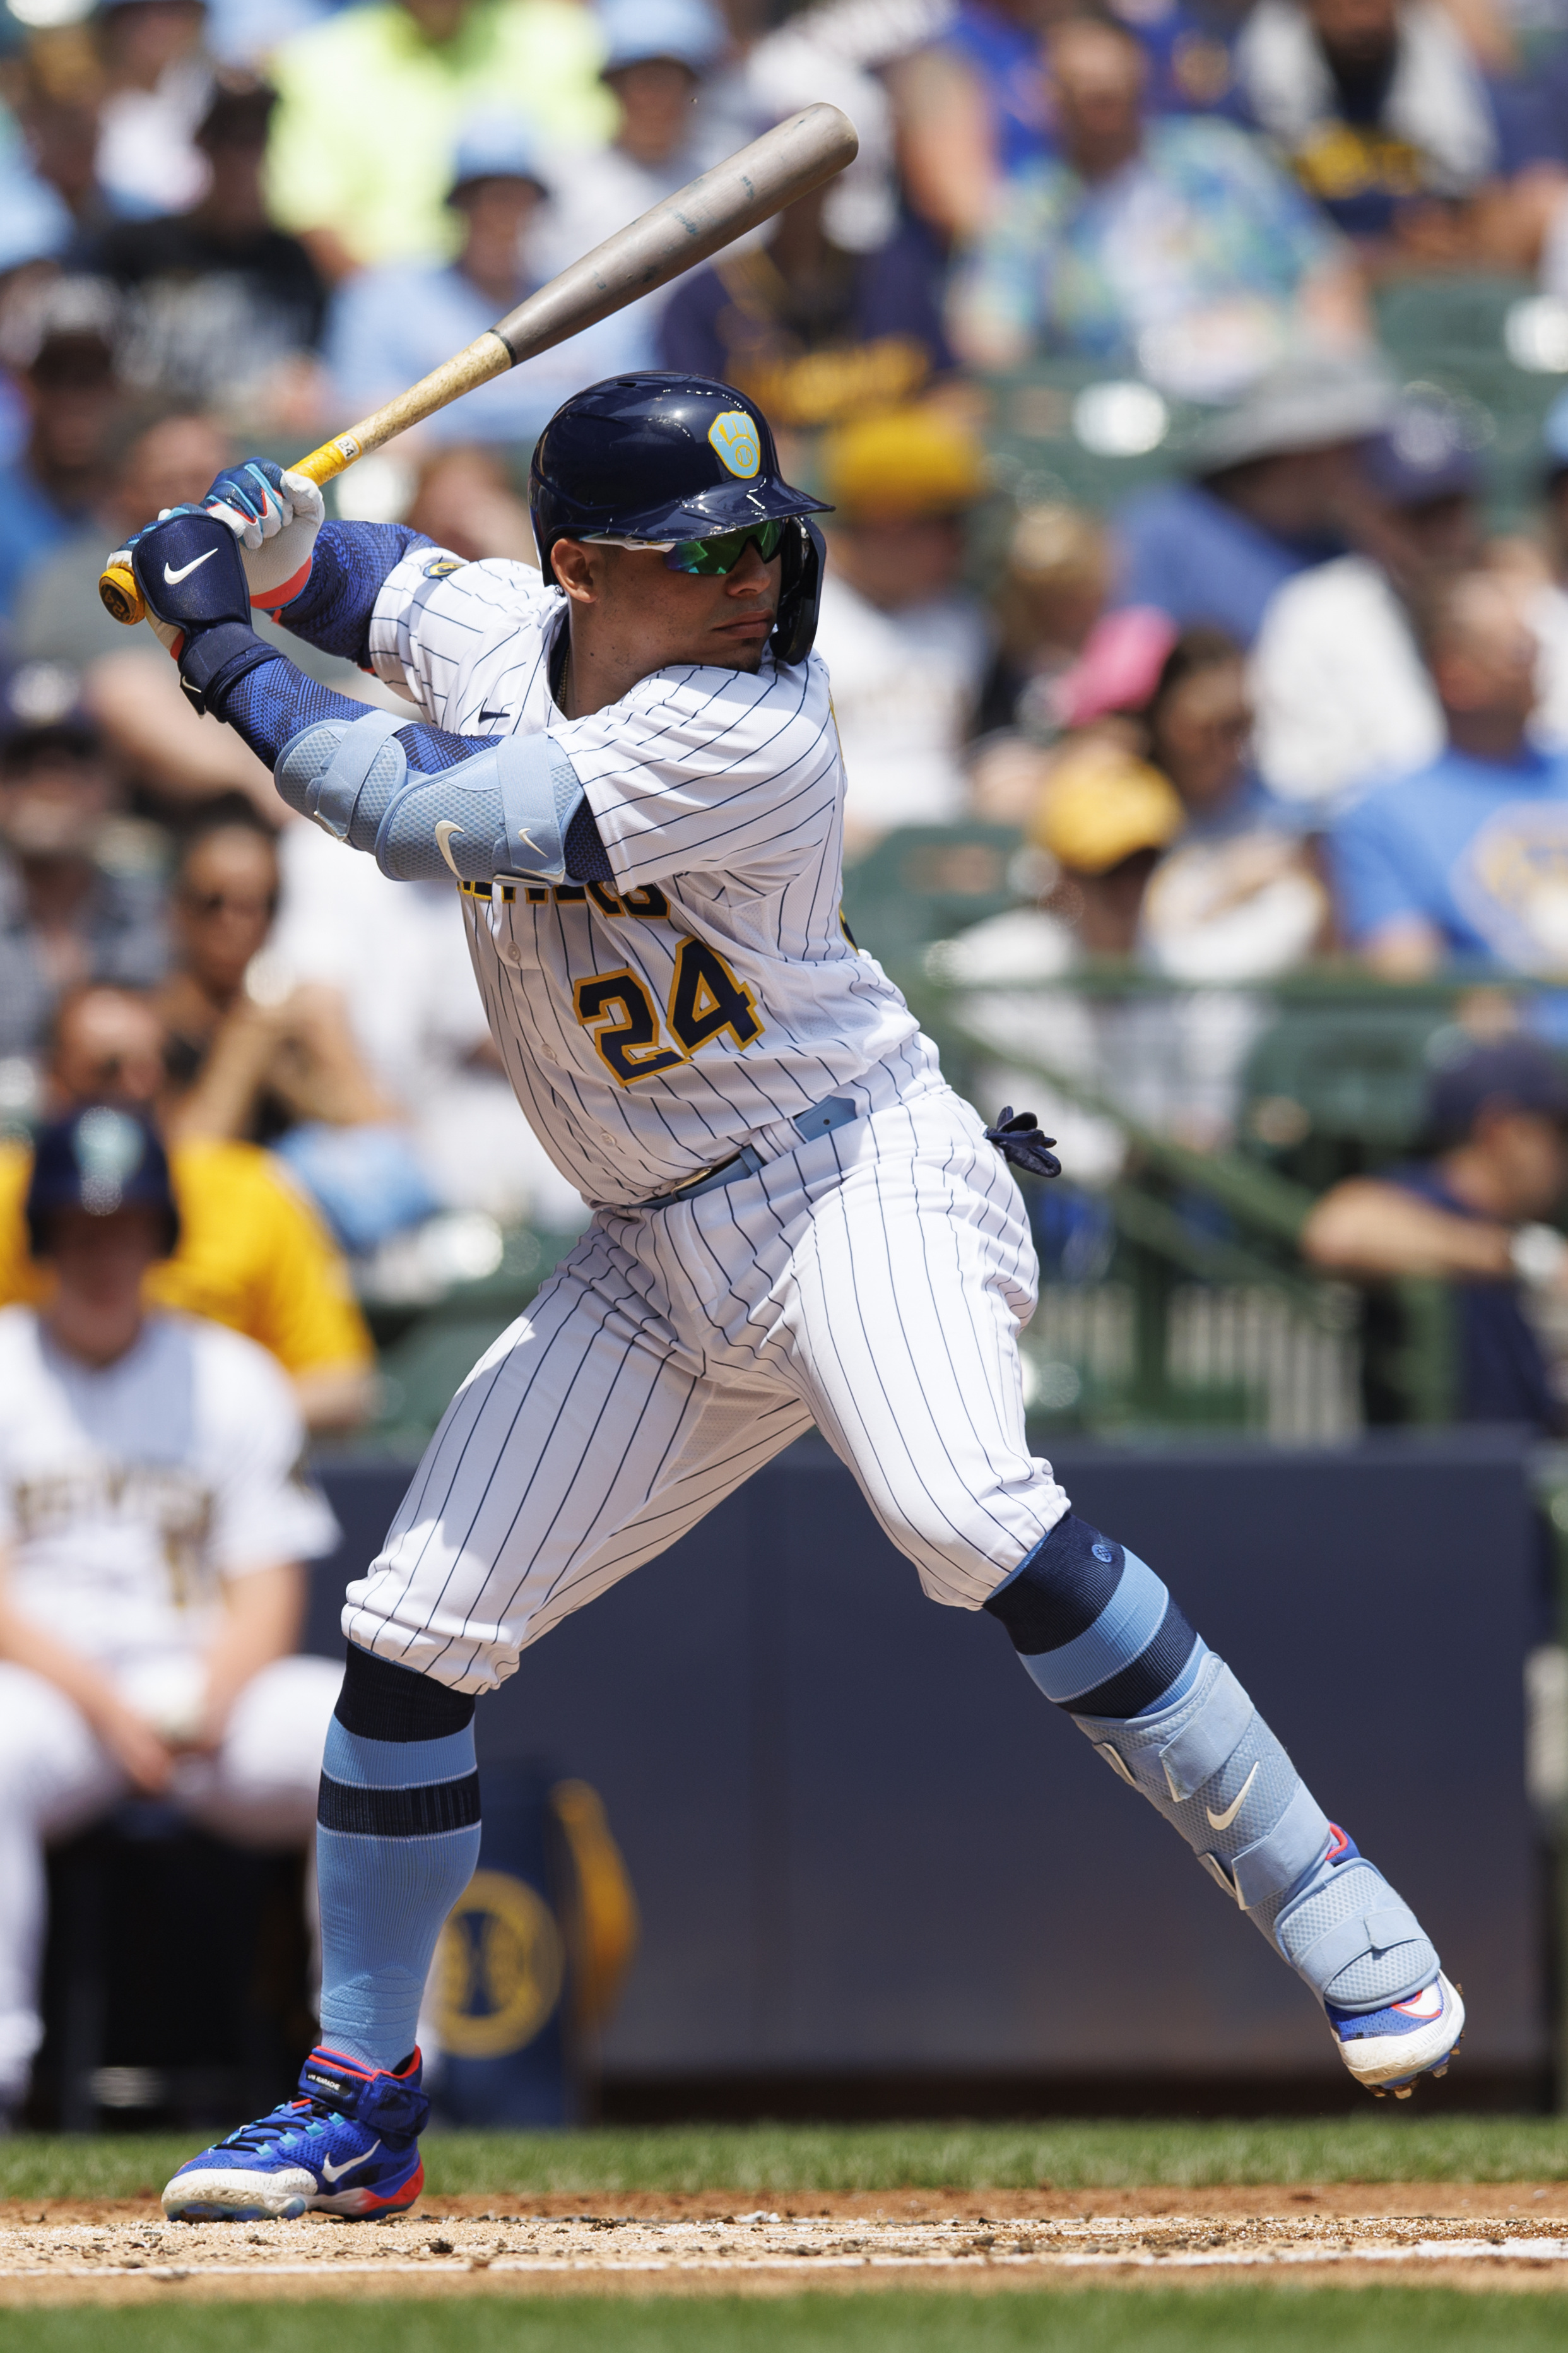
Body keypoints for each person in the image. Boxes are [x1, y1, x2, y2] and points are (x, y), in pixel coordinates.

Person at [119, 374, 1461, 2223]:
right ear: (581, 567)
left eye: (764, 542)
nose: (755, 578)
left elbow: (395, 801)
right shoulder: (513, 629)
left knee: (961, 1509)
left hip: (859, 1175)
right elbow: (381, 582)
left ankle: (1323, 1890)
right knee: (415, 1628)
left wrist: (215, 636)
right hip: (653, 1252)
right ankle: (357, 2102)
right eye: (702, 554)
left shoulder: (745, 726)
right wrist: (280, 541)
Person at [0, 1103, 342, 2124]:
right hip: (54, 1693)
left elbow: (270, 1587)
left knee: (360, 1736)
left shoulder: (231, 1373)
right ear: (46, 1237)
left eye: (127, 1225)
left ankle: (379, 2069)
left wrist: (204, 1704)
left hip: (207, 1693)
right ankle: (4, 2077)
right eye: (81, 1227)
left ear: (162, 1236)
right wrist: (111, 1710)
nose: (106, 1251)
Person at [0, 985, 377, 1434]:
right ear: (54, 1078)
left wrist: (193, 1417)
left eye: (158, 1066)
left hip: (199, 1474)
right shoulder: (10, 1191)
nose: (139, 1084)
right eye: (110, 1068)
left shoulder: (249, 1191)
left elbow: (342, 1383)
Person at [947, 14, 1367, 401]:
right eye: (1084, 97)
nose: (1103, 116)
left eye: (1115, 94)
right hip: (1130, 410)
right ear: (1048, 96)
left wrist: (1331, 358)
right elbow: (991, 328)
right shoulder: (1034, 207)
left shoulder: (1218, 159)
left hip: (1268, 384)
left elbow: (1323, 269)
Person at [322, 115, 641, 454]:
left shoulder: (589, 301)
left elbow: (628, 420)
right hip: (441, 485)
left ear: (536, 205)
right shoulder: (382, 298)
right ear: (457, 205)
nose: (499, 214)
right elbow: (369, 426)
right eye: (483, 197)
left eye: (514, 198)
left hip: (573, 478)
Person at [1302, 1035, 1568, 1430]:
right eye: (1558, 1131)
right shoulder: (1425, 1200)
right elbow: (1337, 1232)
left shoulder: (1519, 1221)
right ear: (1502, 1132)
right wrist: (1529, 1259)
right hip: (1442, 1480)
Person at [262, 0, 615, 282]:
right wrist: (418, 315)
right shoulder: (320, 62)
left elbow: (602, 181)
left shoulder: (560, 38)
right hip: (396, 314)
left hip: (546, 295)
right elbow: (316, 218)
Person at [1249, 394, 1487, 807]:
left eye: (1453, 506)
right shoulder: (1313, 616)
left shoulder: (1527, 607)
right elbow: (1301, 785)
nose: (1444, 534)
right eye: (1419, 513)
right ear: (1368, 514)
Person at [1329, 571, 1568, 977]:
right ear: (1456, 676)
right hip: (1507, 1040)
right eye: (1517, 651)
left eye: (1535, 644)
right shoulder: (1386, 812)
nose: (1537, 660)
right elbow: (1410, 980)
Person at [1110, 347, 1393, 648]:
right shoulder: (1159, 534)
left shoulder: (1361, 541)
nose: (1371, 463)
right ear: (1303, 453)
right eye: (1355, 448)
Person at [87, 70, 328, 423]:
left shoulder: (293, 262)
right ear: (201, 142)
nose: (243, 155)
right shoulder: (135, 248)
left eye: (256, 138)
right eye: (229, 137)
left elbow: (307, 379)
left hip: (252, 455)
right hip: (154, 442)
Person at [810, 405, 993, 853]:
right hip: (830, 860)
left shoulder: (967, 617)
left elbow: (980, 746)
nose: (962, 541)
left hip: (953, 852)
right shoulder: (791, 620)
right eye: (949, 522)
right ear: (889, 520)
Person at [657, 177, 955, 431]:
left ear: (838, 179)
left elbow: (956, 395)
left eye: (813, 174)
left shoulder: (895, 277)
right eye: (788, 178)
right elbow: (694, 431)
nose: (802, 193)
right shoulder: (702, 299)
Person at [1234, 0, 1500, 251]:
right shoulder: (1254, 88)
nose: (1364, 22)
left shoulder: (1449, 76)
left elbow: (1486, 197)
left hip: (1423, 274)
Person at [0, 667, 167, 1065]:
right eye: (26, 761)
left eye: (74, 758)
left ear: (111, 781)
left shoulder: (158, 916)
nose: (52, 783)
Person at [0, 289, 121, 624]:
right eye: (54, 376)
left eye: (90, 378)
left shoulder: (140, 503)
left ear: (116, 388)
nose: (73, 398)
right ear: (25, 384)